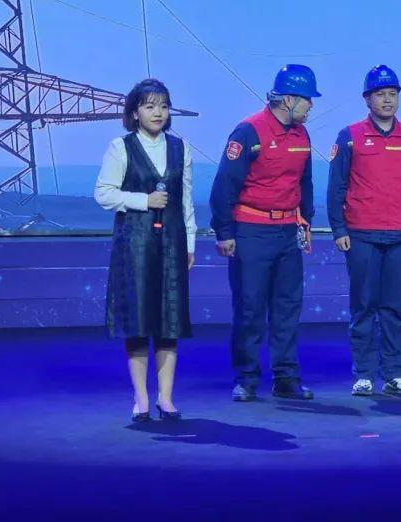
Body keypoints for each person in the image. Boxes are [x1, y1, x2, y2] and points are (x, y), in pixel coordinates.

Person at [327, 65, 401, 397]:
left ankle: (395, 372)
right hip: (361, 234)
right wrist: (338, 228)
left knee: (394, 307)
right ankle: (363, 374)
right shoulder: (350, 136)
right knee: (364, 305)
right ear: (367, 99)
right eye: (380, 94)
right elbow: (336, 186)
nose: (387, 100)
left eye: (392, 94)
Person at [210, 64, 318, 402]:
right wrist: (224, 231)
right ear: (287, 99)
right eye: (307, 99)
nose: (311, 105)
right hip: (251, 232)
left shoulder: (302, 135)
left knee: (288, 307)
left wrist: (306, 222)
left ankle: (286, 378)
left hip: (287, 232)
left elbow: (304, 183)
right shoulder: (249, 132)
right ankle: (246, 378)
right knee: (250, 307)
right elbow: (224, 185)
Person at [94, 78, 195, 422]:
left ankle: (166, 398)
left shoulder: (180, 148)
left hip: (171, 243)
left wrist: (189, 244)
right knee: (138, 320)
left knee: (169, 320)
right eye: (150, 106)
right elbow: (103, 193)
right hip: (134, 244)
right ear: (135, 112)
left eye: (163, 106)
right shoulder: (121, 147)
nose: (158, 113)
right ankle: (141, 398)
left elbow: (185, 201)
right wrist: (143, 200)